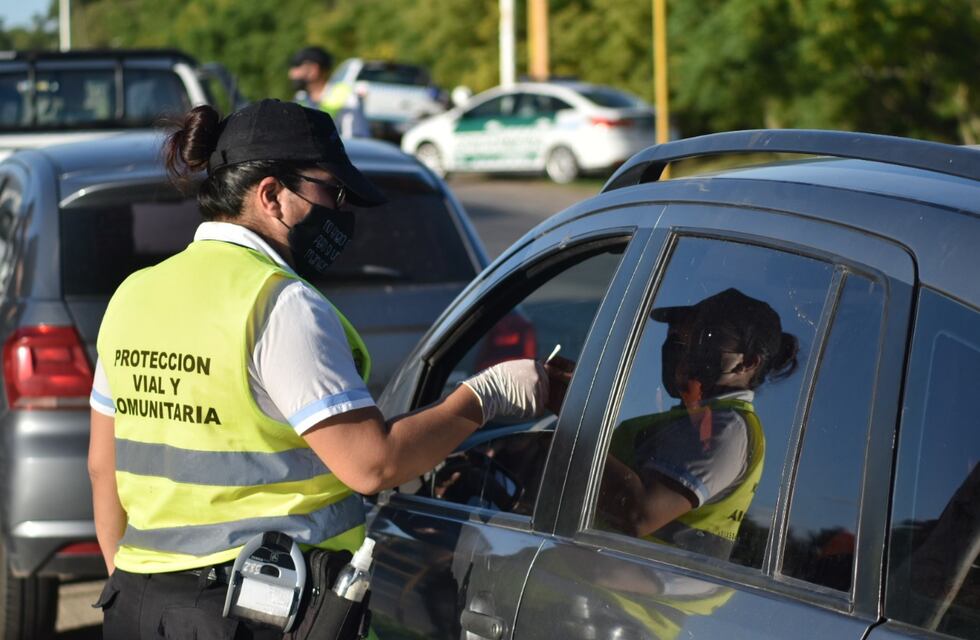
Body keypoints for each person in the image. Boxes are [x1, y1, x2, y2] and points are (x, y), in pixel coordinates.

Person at [87, 98, 549, 639]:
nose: (340, 210)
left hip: (140, 605)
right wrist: (485, 396)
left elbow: (103, 467)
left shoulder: (134, 296)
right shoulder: (278, 304)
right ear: (271, 195)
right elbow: (372, 466)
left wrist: (135, 588)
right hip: (248, 612)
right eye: (330, 191)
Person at [598, 287, 799, 559]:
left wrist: (569, 438)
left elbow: (640, 515)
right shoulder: (693, 416)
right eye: (690, 337)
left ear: (747, 363)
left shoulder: (726, 427)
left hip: (632, 591)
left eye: (708, 338)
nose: (687, 349)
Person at [288, 46, 369, 138]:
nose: (291, 74)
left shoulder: (346, 97)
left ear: (313, 70)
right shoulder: (300, 98)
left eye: (297, 67)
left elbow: (356, 141)